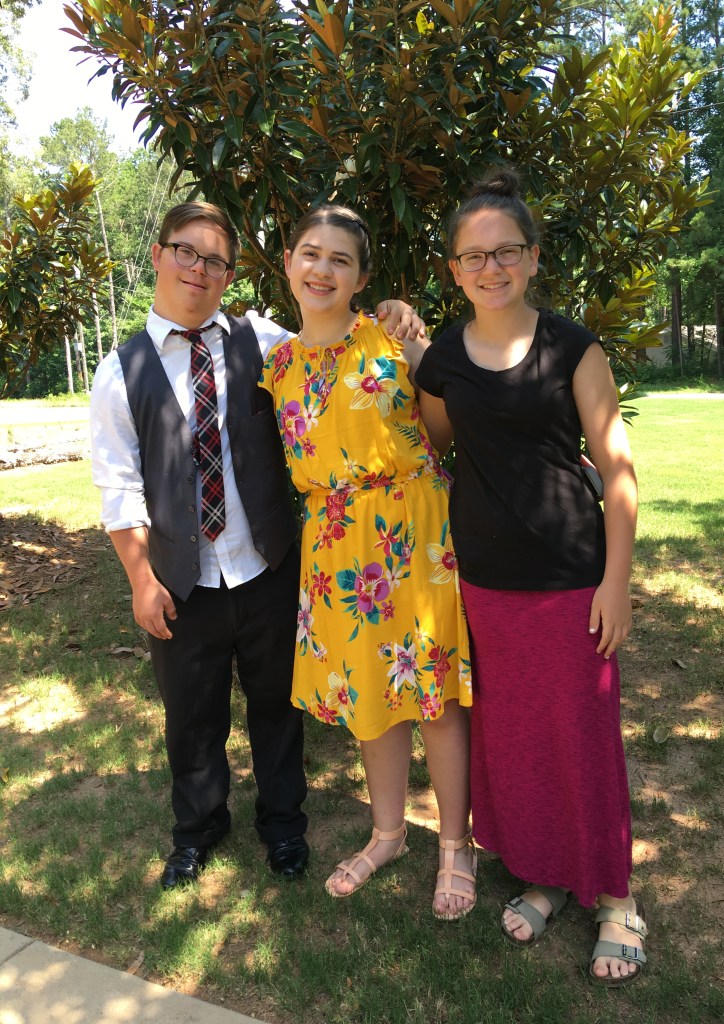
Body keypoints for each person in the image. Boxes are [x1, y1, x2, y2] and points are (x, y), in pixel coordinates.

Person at [90, 200, 423, 890]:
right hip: (182, 578)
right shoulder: (118, 372)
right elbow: (119, 486)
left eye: (215, 261)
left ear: (231, 275)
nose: (199, 270)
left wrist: (388, 310)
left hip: (267, 566)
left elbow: (332, 336)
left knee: (277, 707)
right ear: (158, 255)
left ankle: (283, 827)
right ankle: (198, 830)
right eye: (187, 252)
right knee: (192, 715)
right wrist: (140, 580)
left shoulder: (262, 340)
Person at [415, 168, 647, 981]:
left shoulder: (573, 347)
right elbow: (439, 440)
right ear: (454, 269)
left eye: (506, 251)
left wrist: (615, 582)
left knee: (582, 739)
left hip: (569, 581)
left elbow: (617, 470)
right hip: (483, 584)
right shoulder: (443, 356)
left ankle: (616, 898)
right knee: (513, 743)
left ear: (533, 258)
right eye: (474, 257)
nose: (491, 268)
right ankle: (547, 876)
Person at [258, 205, 476, 919]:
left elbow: (443, 433)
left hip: (412, 533)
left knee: (434, 697)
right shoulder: (277, 366)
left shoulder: (395, 339)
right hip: (334, 546)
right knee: (370, 703)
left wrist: (414, 336)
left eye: (340, 259)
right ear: (288, 262)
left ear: (362, 277)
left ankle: (454, 847)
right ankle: (387, 834)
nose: (322, 269)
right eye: (310, 253)